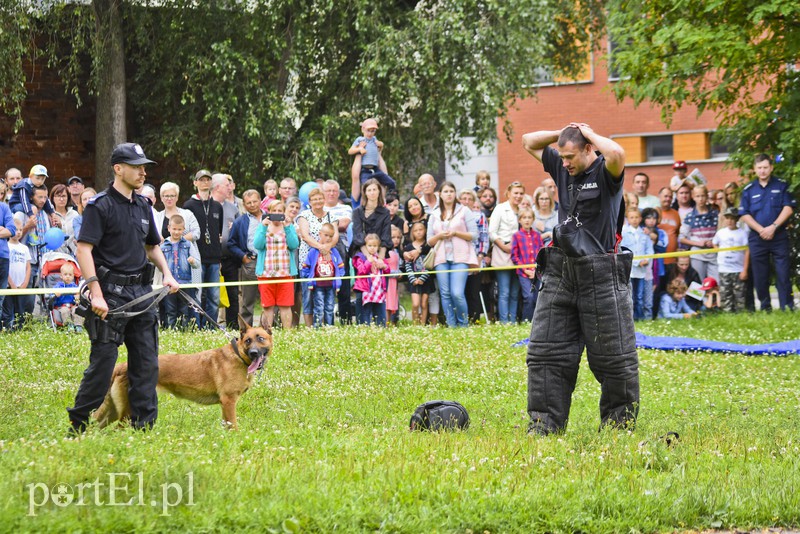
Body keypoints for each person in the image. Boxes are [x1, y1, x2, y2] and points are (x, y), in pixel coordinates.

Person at [521, 122, 638, 435]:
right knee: (546, 354)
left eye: (571, 156)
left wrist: (587, 132)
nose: (565, 162)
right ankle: (544, 426)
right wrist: (562, 131)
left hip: (601, 273)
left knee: (614, 359)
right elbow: (528, 140)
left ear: (588, 149)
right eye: (562, 156)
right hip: (562, 270)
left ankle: (617, 428)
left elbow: (617, 152)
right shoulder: (563, 168)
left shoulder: (606, 173)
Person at [67, 142, 180, 434]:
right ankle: (78, 424)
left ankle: (144, 428)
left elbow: (152, 247)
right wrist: (96, 293)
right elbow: (83, 249)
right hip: (110, 297)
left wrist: (167, 274)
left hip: (141, 295)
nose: (143, 172)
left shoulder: (144, 205)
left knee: (146, 366)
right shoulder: (99, 206)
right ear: (118, 169)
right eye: (136, 166)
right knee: (103, 366)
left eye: (144, 167)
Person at [739, 154, 796, 311]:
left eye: (765, 167)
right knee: (760, 276)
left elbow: (788, 207)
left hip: (779, 236)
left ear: (771, 168)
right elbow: (744, 214)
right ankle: (765, 308)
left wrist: (773, 227)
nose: (763, 171)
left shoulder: (782, 185)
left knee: (783, 274)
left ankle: (788, 307)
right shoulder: (748, 190)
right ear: (755, 169)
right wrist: (761, 230)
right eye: (759, 168)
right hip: (758, 238)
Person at [427, 181, 478, 327]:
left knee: (457, 293)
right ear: (440, 195)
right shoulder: (434, 214)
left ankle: (463, 324)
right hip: (441, 258)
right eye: (446, 191)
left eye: (451, 191)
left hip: (461, 256)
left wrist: (455, 233)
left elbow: (474, 234)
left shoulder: (464, 211)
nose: (449, 194)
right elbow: (429, 240)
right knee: (445, 294)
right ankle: (451, 325)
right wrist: (439, 236)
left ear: (455, 194)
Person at [155, 182, 202, 321]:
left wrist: (176, 240)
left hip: (186, 269)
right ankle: (168, 327)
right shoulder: (157, 216)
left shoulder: (187, 214)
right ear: (161, 198)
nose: (169, 198)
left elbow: (196, 233)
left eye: (172, 195)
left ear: (177, 197)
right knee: (166, 304)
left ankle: (191, 327)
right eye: (166, 196)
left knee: (188, 303)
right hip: (165, 267)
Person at [183, 169, 223, 329]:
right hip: (197, 258)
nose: (205, 182)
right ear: (195, 183)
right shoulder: (189, 205)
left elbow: (218, 232)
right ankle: (197, 326)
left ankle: (211, 327)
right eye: (201, 180)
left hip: (214, 258)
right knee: (198, 294)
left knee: (214, 297)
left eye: (208, 179)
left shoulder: (217, 206)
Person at [297, 187, 340, 326]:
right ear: (309, 201)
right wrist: (321, 247)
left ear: (324, 199)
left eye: (320, 198)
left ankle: (325, 325)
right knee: (308, 295)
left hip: (327, 262)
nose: (318, 201)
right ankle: (310, 327)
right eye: (314, 199)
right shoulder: (304, 215)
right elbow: (305, 236)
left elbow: (336, 236)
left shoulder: (331, 216)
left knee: (325, 294)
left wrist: (327, 248)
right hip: (308, 261)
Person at [254, 200, 298, 329]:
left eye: (280, 211)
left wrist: (288, 227)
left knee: (285, 305)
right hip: (266, 273)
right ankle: (266, 333)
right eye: (274, 211)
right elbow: (257, 245)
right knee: (268, 306)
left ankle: (287, 333)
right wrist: (263, 227)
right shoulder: (262, 226)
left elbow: (294, 245)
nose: (277, 213)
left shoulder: (288, 226)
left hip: (285, 272)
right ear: (269, 212)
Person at [226, 190, 264, 328]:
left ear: (260, 200)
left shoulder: (269, 217)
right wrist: (243, 257)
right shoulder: (240, 222)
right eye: (249, 203)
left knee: (269, 299)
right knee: (248, 300)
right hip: (251, 262)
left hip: (270, 262)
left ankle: (269, 327)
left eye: (255, 201)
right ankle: (246, 329)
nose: (252, 205)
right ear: (244, 204)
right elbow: (231, 243)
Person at [489, 181, 525, 324]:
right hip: (502, 251)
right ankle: (504, 322)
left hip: (520, 254)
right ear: (509, 193)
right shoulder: (500, 208)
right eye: (515, 193)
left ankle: (513, 319)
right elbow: (492, 231)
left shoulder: (523, 209)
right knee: (504, 291)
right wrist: (503, 247)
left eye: (521, 193)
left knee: (515, 292)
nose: (518, 196)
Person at [211, 173, 242, 329]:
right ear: (217, 187)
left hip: (230, 259)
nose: (229, 187)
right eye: (226, 185)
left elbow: (239, 233)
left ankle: (232, 326)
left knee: (232, 294)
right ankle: (209, 325)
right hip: (211, 259)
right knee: (211, 294)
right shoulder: (208, 205)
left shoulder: (233, 208)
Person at [301, 222, 345, 327]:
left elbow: (340, 266)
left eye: (331, 236)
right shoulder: (313, 251)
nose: (328, 238)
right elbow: (306, 266)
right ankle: (318, 327)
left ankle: (329, 326)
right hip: (318, 285)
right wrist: (308, 278)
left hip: (331, 285)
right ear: (320, 234)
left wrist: (339, 278)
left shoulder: (334, 252)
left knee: (330, 306)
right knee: (319, 306)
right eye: (326, 235)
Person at [160, 214, 200, 329]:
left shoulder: (188, 245)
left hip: (185, 284)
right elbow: (158, 265)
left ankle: (183, 331)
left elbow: (197, 264)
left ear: (183, 229)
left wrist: (192, 261)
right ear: (168, 228)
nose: (176, 232)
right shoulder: (163, 246)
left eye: (179, 229)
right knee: (170, 310)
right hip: (168, 286)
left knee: (184, 310)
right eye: (174, 229)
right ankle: (171, 331)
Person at [679, 184, 719, 281]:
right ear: (693, 197)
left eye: (703, 196)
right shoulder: (689, 216)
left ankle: (713, 296)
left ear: (706, 197)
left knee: (715, 282)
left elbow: (720, 233)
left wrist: (713, 241)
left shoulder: (715, 214)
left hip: (713, 254)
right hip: (697, 254)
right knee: (698, 283)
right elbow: (682, 238)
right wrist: (698, 243)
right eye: (697, 196)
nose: (700, 199)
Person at [712, 207, 749, 312]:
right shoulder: (721, 233)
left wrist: (744, 270)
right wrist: (719, 252)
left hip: (737, 269)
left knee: (739, 295)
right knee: (725, 294)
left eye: (732, 218)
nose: (729, 221)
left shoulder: (742, 233)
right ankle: (727, 313)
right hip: (724, 269)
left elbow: (747, 251)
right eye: (727, 218)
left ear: (737, 220)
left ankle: (740, 314)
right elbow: (714, 242)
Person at [511, 207, 544, 322]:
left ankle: (537, 322)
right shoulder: (516, 236)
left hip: (536, 272)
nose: (527, 220)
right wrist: (526, 270)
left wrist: (535, 270)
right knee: (528, 297)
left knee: (537, 297)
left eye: (529, 217)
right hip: (523, 273)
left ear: (533, 219)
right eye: (524, 217)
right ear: (519, 220)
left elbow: (541, 254)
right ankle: (526, 320)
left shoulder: (537, 236)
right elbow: (514, 256)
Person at [620, 207, 653, 320]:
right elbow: (623, 250)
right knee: (630, 295)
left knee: (639, 295)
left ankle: (640, 317)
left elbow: (649, 250)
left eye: (636, 217)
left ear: (640, 219)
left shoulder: (644, 233)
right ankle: (630, 318)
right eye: (631, 217)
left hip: (641, 271)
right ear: (628, 219)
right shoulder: (624, 232)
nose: (634, 220)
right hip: (630, 270)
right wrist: (636, 262)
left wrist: (646, 260)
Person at [352, 233, 390, 326]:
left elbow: (388, 270)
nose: (372, 248)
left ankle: (381, 327)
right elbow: (361, 271)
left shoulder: (380, 258)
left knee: (380, 311)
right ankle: (365, 328)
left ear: (378, 247)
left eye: (375, 246)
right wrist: (368, 262)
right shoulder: (360, 257)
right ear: (365, 246)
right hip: (365, 290)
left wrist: (384, 266)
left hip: (378, 291)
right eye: (369, 245)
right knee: (365, 312)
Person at [348, 117, 395, 192]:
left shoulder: (374, 139)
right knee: (365, 186)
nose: (370, 133)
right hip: (365, 169)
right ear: (362, 130)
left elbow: (380, 145)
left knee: (391, 183)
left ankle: (390, 199)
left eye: (372, 131)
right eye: (368, 131)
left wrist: (381, 144)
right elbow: (350, 151)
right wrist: (359, 149)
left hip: (375, 169)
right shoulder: (360, 139)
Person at [403, 221, 434, 325]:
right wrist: (413, 279)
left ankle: (423, 325)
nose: (419, 232)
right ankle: (415, 325)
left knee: (424, 303)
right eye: (416, 230)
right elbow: (407, 265)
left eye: (421, 229)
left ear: (425, 230)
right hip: (414, 280)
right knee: (416, 303)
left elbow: (430, 264)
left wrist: (422, 278)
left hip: (426, 279)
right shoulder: (408, 247)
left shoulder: (427, 246)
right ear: (412, 233)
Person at [1, 214, 28, 330]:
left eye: (21, 230)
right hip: (9, 286)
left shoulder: (24, 248)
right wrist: (11, 283)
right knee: (8, 310)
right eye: (16, 229)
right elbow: (4, 268)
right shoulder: (6, 246)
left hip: (21, 285)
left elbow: (28, 267)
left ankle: (19, 330)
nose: (18, 232)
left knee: (20, 311)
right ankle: (7, 329)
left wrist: (25, 283)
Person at [642, 207, 667, 316]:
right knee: (642, 292)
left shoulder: (661, 232)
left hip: (658, 266)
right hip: (643, 266)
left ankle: (654, 315)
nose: (651, 220)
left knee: (656, 291)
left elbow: (663, 247)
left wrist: (653, 237)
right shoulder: (640, 230)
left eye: (654, 218)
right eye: (648, 218)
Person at [49, 184, 78, 255]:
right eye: (58, 196)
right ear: (52, 198)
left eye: (64, 196)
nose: (61, 199)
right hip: (56, 255)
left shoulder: (74, 214)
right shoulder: (49, 215)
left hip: (73, 254)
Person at [0, 195, 16, 319]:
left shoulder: (4, 207)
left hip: (2, 256)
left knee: (1, 297)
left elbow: (11, 230)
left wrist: (6, 230)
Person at [657, 186, 681, 265]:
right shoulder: (654, 212)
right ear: (659, 197)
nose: (668, 199)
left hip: (672, 259)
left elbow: (677, 233)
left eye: (670, 197)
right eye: (666, 196)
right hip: (657, 259)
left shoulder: (676, 213)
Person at [51, 262, 80, 328]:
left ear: (73, 276)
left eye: (70, 275)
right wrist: (55, 294)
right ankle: (68, 324)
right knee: (65, 311)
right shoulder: (58, 286)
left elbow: (78, 295)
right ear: (61, 276)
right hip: (61, 306)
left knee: (77, 310)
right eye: (65, 274)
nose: (68, 276)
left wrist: (77, 296)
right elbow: (52, 295)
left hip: (72, 305)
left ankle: (78, 325)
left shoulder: (74, 286)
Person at [385, 225, 403, 325]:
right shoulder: (385, 252)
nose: (396, 240)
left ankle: (393, 323)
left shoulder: (396, 251)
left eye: (398, 237)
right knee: (387, 302)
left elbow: (398, 266)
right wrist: (396, 274)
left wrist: (399, 272)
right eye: (393, 237)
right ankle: (386, 324)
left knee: (393, 302)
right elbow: (385, 269)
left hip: (394, 283)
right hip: (387, 282)